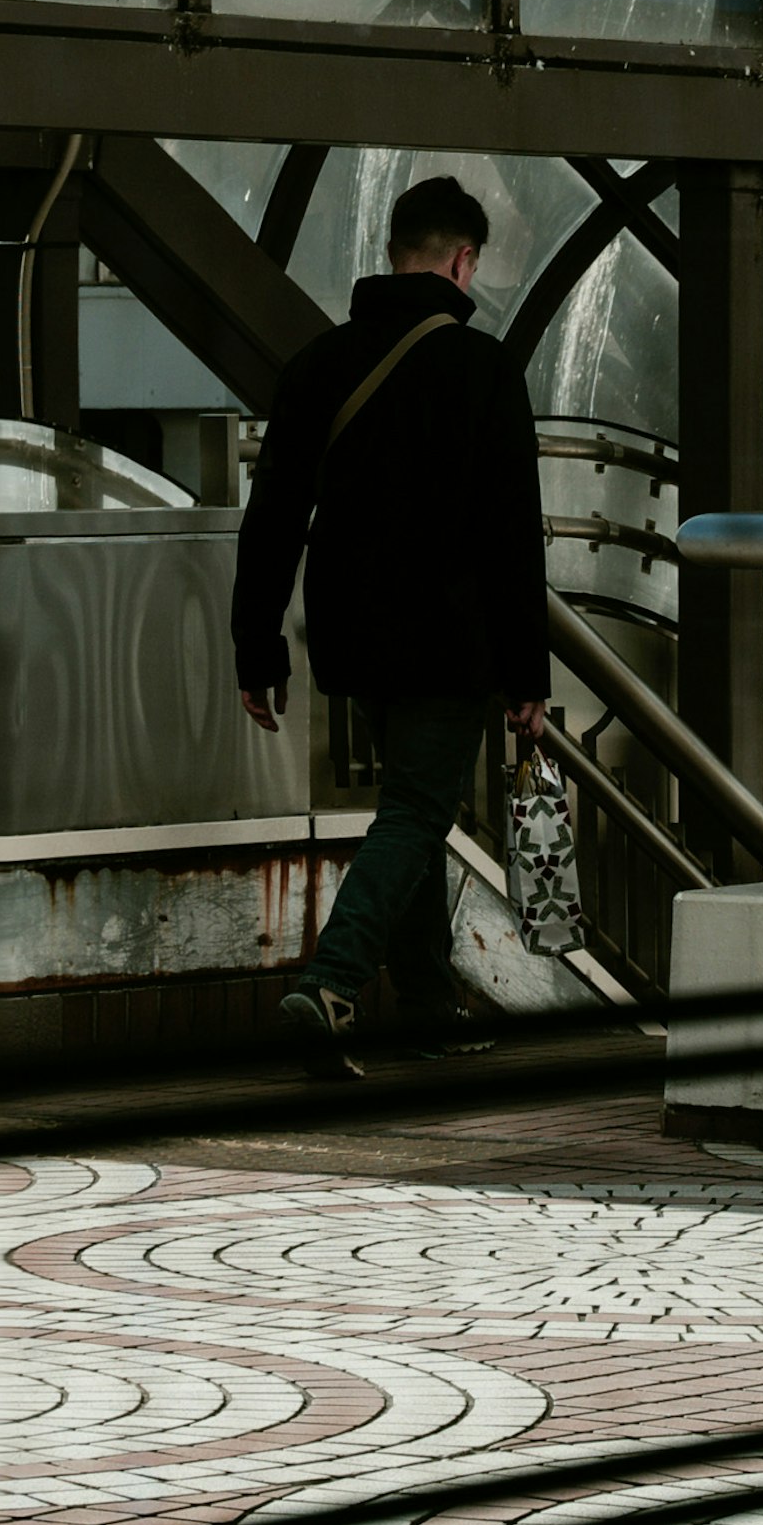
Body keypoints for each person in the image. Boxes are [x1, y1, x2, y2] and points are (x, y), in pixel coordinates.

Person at [234, 174, 553, 1076]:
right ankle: (332, 984)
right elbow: (510, 536)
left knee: (407, 811)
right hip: (449, 644)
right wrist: (527, 674)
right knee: (417, 810)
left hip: (353, 642)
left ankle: (424, 1004)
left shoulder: (320, 365)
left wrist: (256, 647)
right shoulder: (486, 370)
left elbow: (273, 519)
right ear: (462, 262)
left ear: (391, 253)